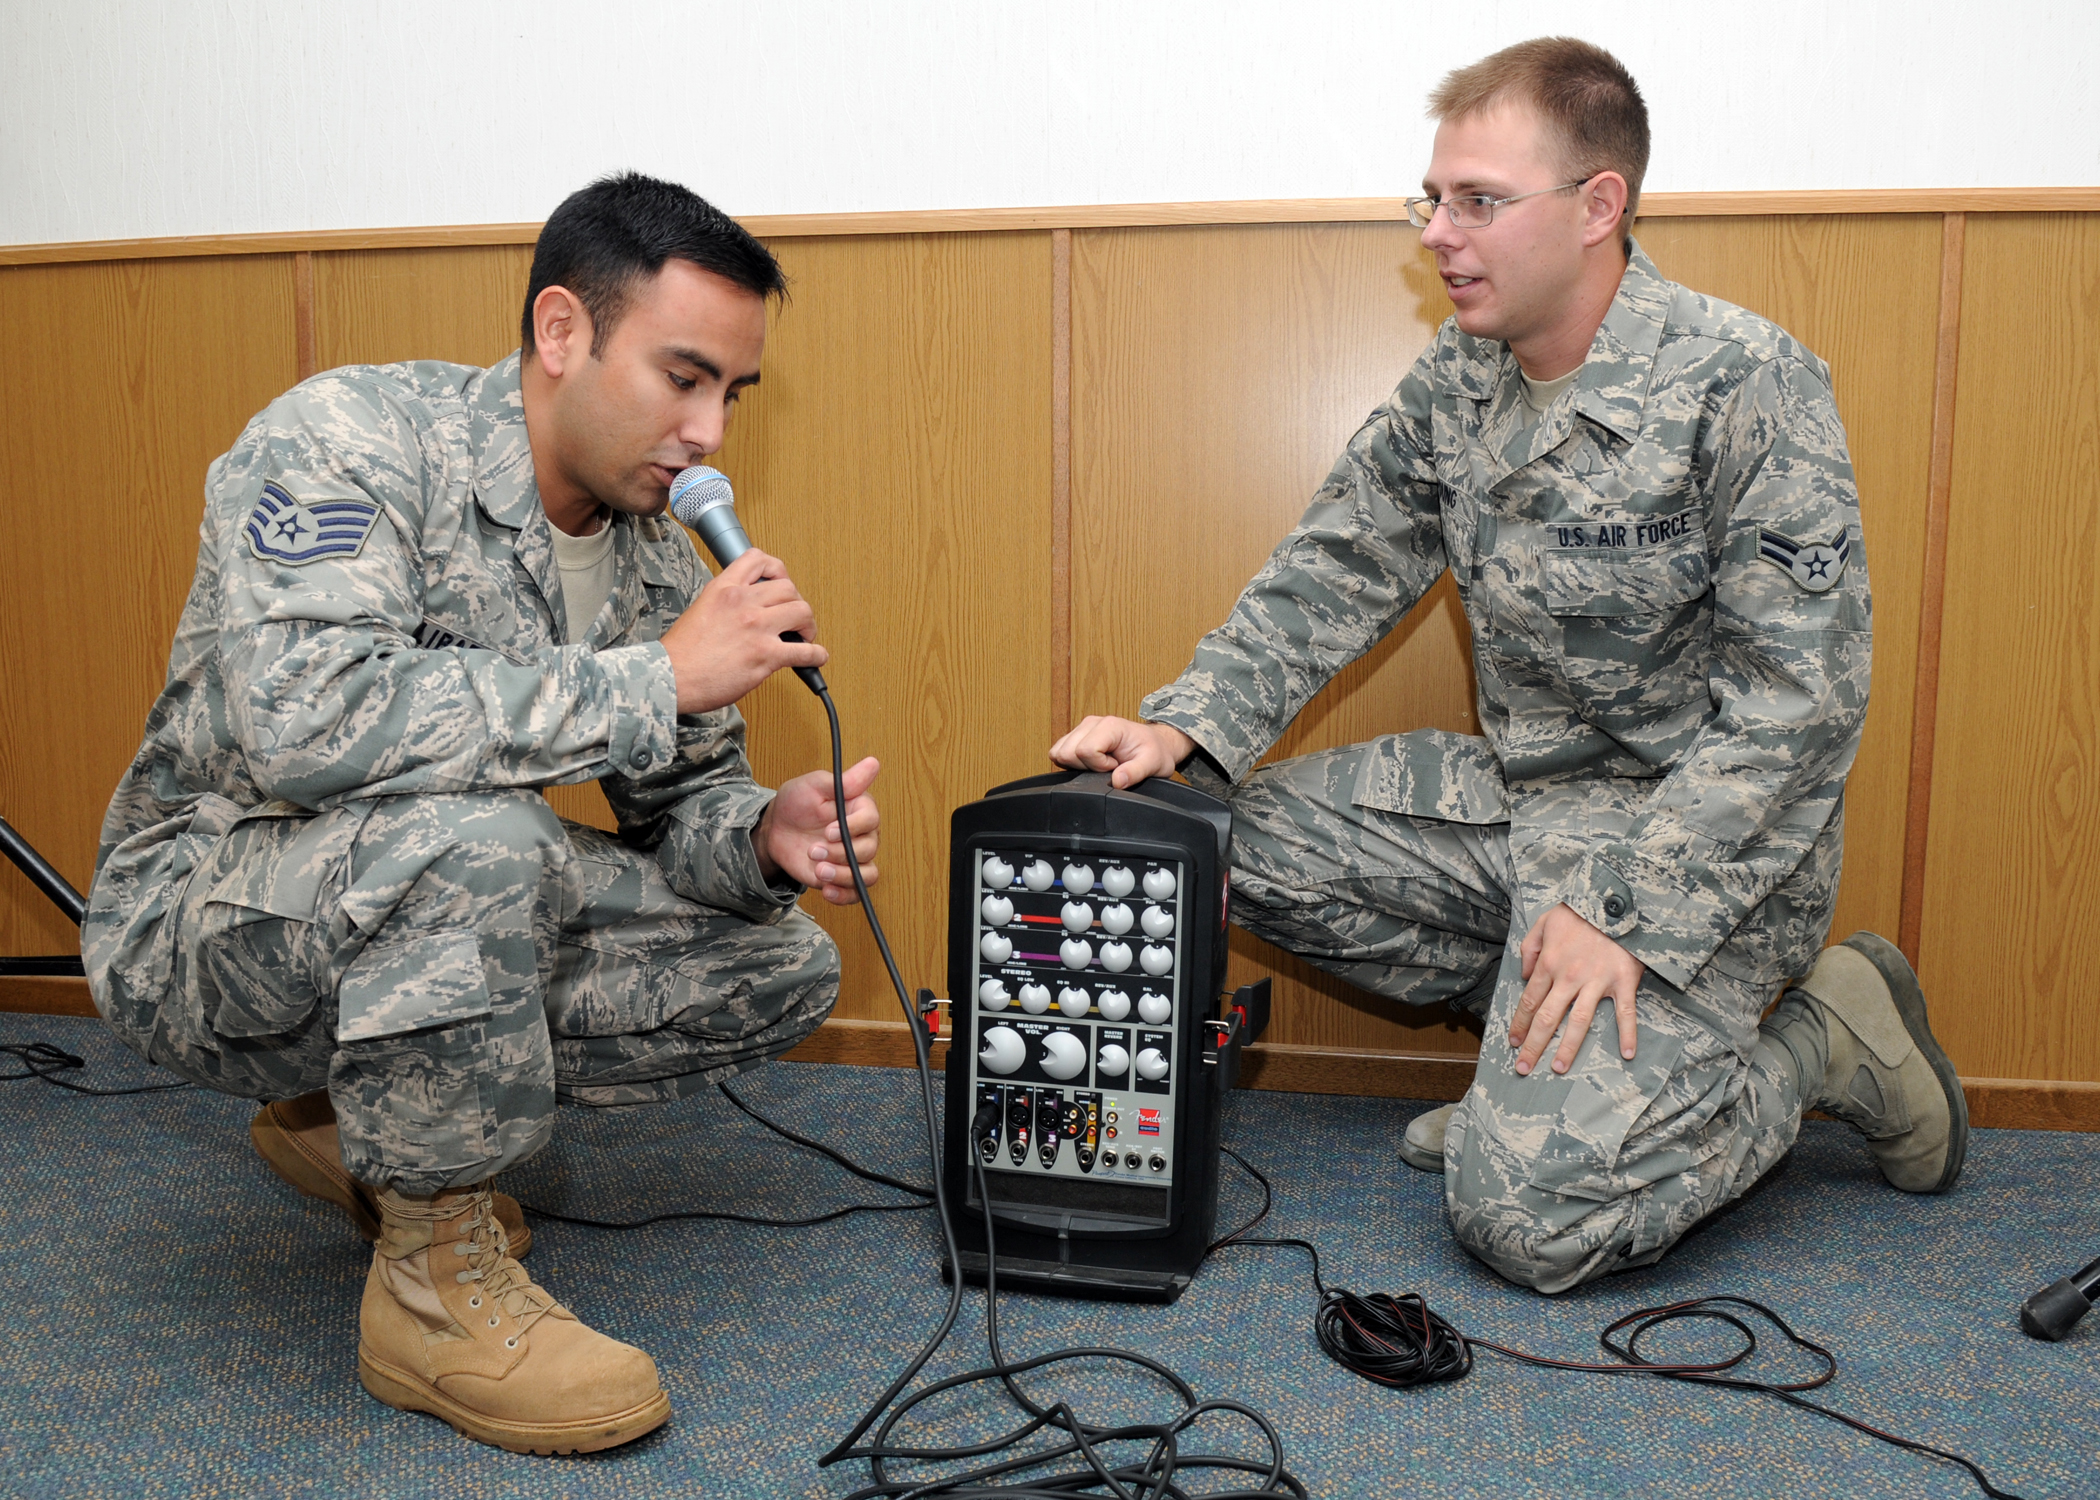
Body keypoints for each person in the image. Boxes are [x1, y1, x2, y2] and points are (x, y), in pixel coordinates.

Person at [1049, 38, 1967, 1294]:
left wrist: (1626, 915)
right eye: (1431, 198)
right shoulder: (1461, 381)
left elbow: (1798, 710)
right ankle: (1532, 1087)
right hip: (1530, 810)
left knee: (1530, 1227)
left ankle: (1819, 1044)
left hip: (1710, 858)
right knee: (1187, 834)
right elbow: (1337, 567)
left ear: (1600, 206)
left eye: (1477, 200)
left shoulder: (1745, 383)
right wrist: (1181, 728)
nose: (1439, 230)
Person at [83, 173, 882, 1452]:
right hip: (202, 915)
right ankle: (431, 1287)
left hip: (410, 894)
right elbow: (300, 720)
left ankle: (360, 1127)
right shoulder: (351, 435)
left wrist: (761, 834)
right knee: (484, 843)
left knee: (776, 960)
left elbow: (680, 805)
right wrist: (652, 677)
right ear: (562, 333)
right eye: (683, 378)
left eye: (733, 393)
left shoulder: (647, 553)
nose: (711, 433)